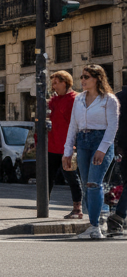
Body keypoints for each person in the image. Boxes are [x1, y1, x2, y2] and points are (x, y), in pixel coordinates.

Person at [63, 64, 120, 240]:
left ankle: (96, 226)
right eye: (81, 77)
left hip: (100, 141)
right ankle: (95, 223)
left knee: (94, 184)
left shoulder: (108, 99)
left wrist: (102, 149)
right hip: (82, 142)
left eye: (86, 77)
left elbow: (112, 127)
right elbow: (73, 126)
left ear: (97, 78)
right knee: (87, 186)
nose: (82, 80)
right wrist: (67, 151)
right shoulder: (78, 99)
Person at [46, 70, 84, 219]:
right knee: (47, 178)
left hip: (67, 146)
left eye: (56, 83)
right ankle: (44, 206)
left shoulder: (75, 99)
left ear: (65, 82)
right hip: (52, 145)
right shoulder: (53, 101)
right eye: (52, 83)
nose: (53, 86)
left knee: (71, 177)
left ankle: (77, 208)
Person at [106, 74, 127, 239]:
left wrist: (117, 144)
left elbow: (112, 124)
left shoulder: (117, 98)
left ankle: (119, 216)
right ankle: (118, 216)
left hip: (122, 146)